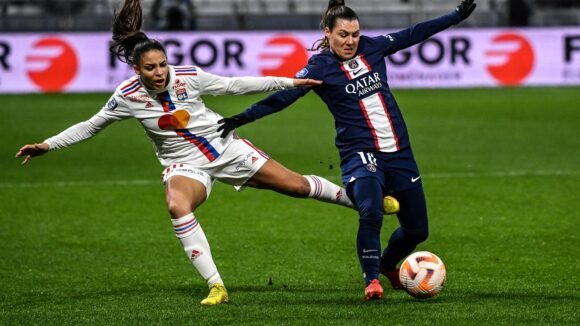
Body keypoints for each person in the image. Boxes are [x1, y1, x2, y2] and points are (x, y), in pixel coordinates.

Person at [14, 0, 392, 306]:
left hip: (225, 147)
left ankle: (363, 204)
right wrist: (47, 144)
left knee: (294, 186)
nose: (160, 73)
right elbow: (90, 125)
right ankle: (216, 286)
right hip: (185, 165)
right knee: (177, 204)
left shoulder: (187, 76)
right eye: (151, 68)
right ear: (136, 69)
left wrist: (289, 80)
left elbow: (234, 85)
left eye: (162, 64)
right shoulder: (126, 97)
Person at [217, 0, 477, 300]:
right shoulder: (320, 67)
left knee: (418, 231)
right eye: (343, 35)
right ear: (328, 34)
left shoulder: (373, 47)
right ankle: (371, 281)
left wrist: (455, 16)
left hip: (399, 153)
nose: (350, 41)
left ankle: (387, 264)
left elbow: (413, 33)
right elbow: (284, 97)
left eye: (354, 34)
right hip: (360, 154)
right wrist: (244, 117)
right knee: (371, 208)